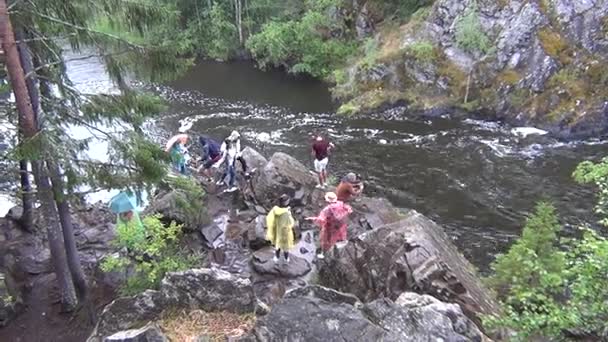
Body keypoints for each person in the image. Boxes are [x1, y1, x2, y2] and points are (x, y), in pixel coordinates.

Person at [306, 192, 352, 259]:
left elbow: (321, 220)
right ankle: (341, 243)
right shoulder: (341, 204)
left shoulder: (327, 209)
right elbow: (349, 210)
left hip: (329, 227)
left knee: (325, 240)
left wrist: (312, 219)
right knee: (339, 235)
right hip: (340, 225)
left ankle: (323, 253)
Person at [266, 194, 295, 263]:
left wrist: (272, 227)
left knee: (277, 244)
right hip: (285, 231)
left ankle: (276, 257)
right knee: (286, 247)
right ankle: (286, 258)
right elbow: (290, 222)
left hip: (277, 230)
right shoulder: (286, 212)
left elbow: (269, 218)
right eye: (287, 201)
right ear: (285, 202)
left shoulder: (275, 209)